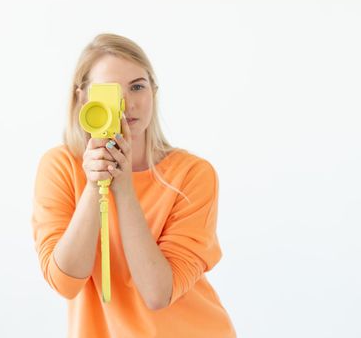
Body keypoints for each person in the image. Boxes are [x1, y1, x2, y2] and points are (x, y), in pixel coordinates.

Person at [31, 33, 236, 337]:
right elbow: (65, 282)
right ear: (82, 98)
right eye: (109, 91)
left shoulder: (192, 174)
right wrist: (94, 185)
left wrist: (123, 188)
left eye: (138, 86)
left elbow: (157, 294)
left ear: (153, 92)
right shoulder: (60, 167)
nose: (127, 103)